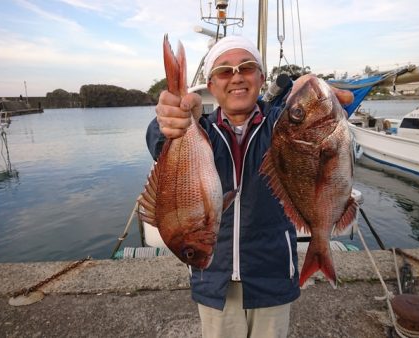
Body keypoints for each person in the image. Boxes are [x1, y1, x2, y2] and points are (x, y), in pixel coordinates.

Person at [146, 35, 353, 338]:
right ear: (211, 84)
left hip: (272, 276)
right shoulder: (200, 131)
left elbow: (320, 125)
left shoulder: (283, 127)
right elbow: (159, 142)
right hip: (214, 282)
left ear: (261, 77)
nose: (237, 77)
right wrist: (169, 121)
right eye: (224, 71)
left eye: (247, 67)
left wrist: (310, 88)